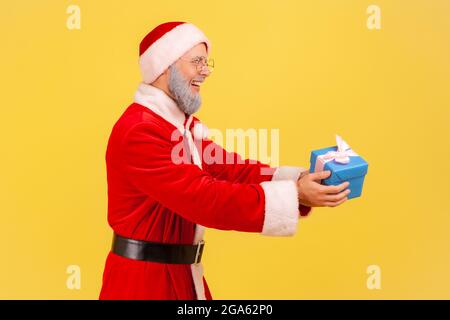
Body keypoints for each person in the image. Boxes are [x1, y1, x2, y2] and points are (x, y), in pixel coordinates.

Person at [99, 21, 350, 300]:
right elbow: (205, 197)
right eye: (197, 62)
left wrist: (297, 181)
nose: (205, 71)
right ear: (164, 67)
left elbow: (231, 170)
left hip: (180, 277)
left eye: (207, 63)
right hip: (141, 286)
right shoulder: (140, 130)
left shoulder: (180, 128)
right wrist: (295, 194)